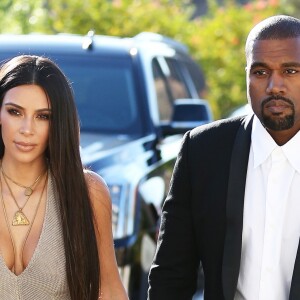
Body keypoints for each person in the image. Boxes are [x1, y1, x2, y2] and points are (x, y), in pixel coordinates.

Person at [148, 15, 300, 300]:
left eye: (290, 71)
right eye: (260, 72)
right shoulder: (203, 151)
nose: (274, 86)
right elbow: (171, 274)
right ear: (247, 75)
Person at [0, 55, 129, 300]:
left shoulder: (87, 192)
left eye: (43, 116)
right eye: (15, 112)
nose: (27, 129)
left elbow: (110, 290)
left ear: (58, 122)